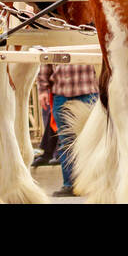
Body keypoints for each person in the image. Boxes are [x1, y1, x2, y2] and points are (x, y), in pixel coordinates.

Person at [36, 61, 99, 198]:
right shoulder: (53, 39)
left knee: (93, 141)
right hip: (62, 93)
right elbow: (45, 62)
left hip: (89, 92)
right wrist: (42, 90)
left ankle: (94, 183)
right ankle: (70, 185)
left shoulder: (91, 39)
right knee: (66, 142)